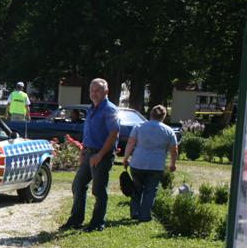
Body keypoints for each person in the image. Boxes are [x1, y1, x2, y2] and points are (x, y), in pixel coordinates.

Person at [60, 77, 120, 232]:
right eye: (91, 90)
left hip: (102, 155)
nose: (94, 93)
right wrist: (83, 151)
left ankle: (97, 223)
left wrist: (99, 155)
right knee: (78, 185)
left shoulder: (110, 109)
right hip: (88, 153)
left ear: (106, 91)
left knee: (98, 191)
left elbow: (114, 133)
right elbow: (89, 133)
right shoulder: (91, 108)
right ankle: (76, 220)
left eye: (97, 90)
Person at [123, 104, 178, 222]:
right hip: (156, 165)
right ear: (164, 116)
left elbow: (130, 143)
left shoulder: (138, 127)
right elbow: (174, 149)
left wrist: (125, 158)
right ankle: (144, 215)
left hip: (137, 163)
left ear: (150, 114)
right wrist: (173, 164)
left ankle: (134, 212)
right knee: (150, 191)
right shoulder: (168, 131)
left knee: (136, 188)